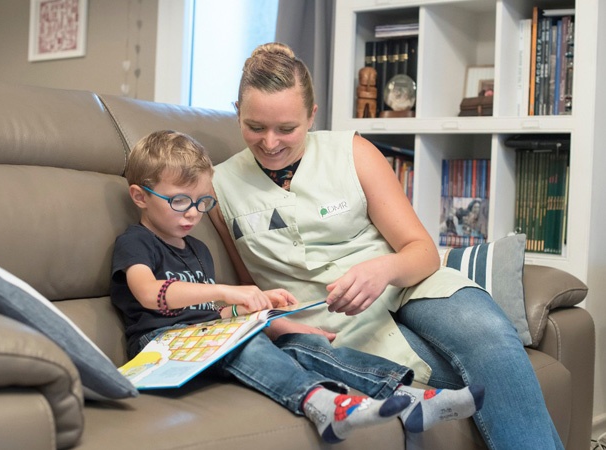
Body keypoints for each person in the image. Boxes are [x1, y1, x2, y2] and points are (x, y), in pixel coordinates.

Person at [209, 42, 563, 450]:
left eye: (286, 128)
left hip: (414, 286)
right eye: (255, 126)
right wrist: (281, 327)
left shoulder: (353, 152)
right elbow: (247, 286)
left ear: (312, 114)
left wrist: (382, 270)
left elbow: (421, 251)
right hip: (343, 327)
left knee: (491, 337)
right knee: (489, 382)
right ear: (237, 111)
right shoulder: (218, 188)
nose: (270, 143)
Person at [110, 130, 484, 444]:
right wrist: (227, 290)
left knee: (301, 343)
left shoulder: (198, 250)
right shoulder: (137, 242)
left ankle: (406, 395)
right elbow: (149, 293)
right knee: (245, 347)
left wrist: (271, 317)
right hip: (160, 348)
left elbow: (216, 315)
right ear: (140, 197)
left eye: (202, 202)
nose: (193, 212)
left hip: (204, 337)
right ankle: (320, 403)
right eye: (179, 201)